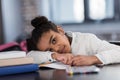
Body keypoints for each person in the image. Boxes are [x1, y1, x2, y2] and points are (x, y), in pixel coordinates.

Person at [27, 16, 120, 66]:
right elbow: (30, 56)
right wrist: (55, 55)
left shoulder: (87, 40)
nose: (56, 49)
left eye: (54, 40)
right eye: (50, 49)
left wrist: (93, 59)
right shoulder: (55, 54)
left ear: (60, 31)